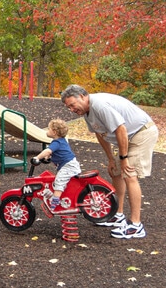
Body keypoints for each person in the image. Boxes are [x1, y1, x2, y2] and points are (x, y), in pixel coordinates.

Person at [60, 84, 158, 239]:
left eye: (72, 105)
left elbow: (121, 129)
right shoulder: (87, 112)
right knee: (116, 173)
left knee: (129, 174)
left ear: (83, 96)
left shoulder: (99, 105)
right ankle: (117, 214)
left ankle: (135, 225)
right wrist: (111, 159)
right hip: (128, 136)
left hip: (141, 132)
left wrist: (124, 159)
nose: (71, 109)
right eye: (68, 107)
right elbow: (100, 134)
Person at [34, 118, 81, 216]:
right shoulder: (62, 141)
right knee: (60, 182)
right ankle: (59, 199)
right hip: (70, 164)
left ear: (54, 132)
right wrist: (48, 158)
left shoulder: (56, 142)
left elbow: (48, 151)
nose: (47, 131)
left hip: (68, 166)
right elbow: (57, 153)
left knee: (59, 182)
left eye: (49, 129)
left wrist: (37, 157)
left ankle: (54, 206)